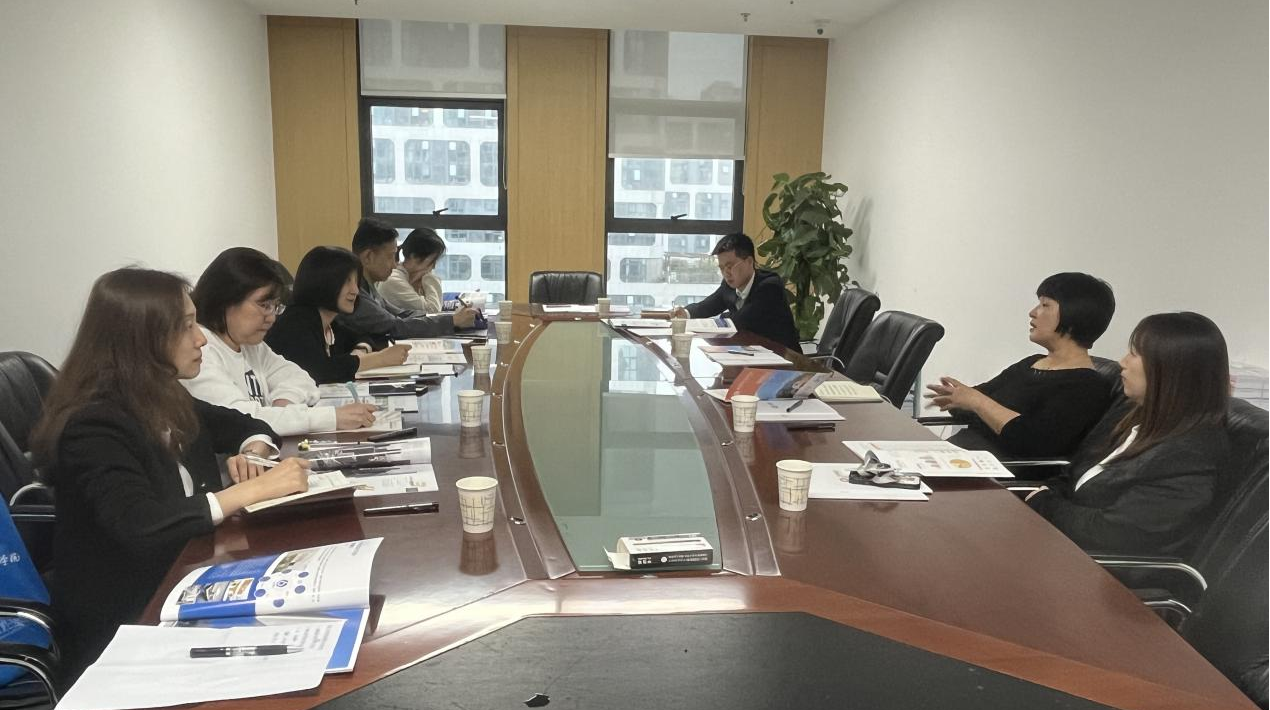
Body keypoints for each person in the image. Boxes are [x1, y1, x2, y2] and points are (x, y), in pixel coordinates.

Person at [31, 267, 312, 679]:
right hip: (127, 617)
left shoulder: (162, 392)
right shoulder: (93, 423)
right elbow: (140, 525)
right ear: (141, 337)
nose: (201, 339)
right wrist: (249, 492)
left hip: (184, 575)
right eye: (186, 326)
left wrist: (254, 450)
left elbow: (243, 424)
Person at [1025, 312, 1231, 556]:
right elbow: (1072, 475)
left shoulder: (1191, 456)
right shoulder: (1132, 415)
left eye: (1134, 354)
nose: (1122, 362)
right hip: (1059, 541)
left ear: (1170, 370)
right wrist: (1044, 495)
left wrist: (1043, 502)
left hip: (1100, 569)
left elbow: (1110, 533)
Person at [185, 247, 379, 434]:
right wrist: (331, 418)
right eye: (264, 305)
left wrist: (283, 406)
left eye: (275, 306)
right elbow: (241, 419)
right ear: (225, 299)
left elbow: (301, 378)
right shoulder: (200, 353)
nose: (271, 317)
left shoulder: (251, 346)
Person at [926, 272, 1116, 459]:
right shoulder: (1031, 363)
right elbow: (966, 406)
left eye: (1045, 305)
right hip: (956, 456)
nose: (1033, 312)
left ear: (1075, 316)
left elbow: (1032, 442)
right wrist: (958, 398)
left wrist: (977, 403)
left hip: (996, 471)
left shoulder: (1087, 387)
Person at [266, 246, 412, 384]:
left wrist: (361, 350)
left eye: (356, 281)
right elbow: (318, 371)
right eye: (347, 281)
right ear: (322, 281)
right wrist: (380, 359)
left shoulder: (330, 322)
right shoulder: (297, 321)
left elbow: (363, 337)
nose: (355, 290)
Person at [339, 217, 478, 339]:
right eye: (390, 256)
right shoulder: (354, 294)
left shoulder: (369, 287)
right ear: (368, 257)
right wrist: (452, 321)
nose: (394, 265)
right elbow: (395, 326)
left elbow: (402, 314)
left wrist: (449, 318)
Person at [672, 232, 800, 352]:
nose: (726, 273)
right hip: (751, 353)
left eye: (730, 266)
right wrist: (685, 313)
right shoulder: (729, 286)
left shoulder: (770, 286)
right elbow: (707, 306)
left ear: (749, 262)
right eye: (722, 268)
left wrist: (724, 317)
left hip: (784, 357)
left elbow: (740, 321)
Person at [378, 227, 445, 314]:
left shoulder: (410, 277)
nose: (434, 267)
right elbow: (433, 311)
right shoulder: (393, 280)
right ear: (414, 257)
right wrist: (430, 277)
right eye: (432, 261)